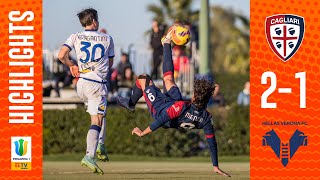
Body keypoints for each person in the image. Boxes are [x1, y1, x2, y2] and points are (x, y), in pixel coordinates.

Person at [117, 27, 230, 177]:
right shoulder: (206, 118)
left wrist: (142, 132)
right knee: (169, 79)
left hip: (161, 110)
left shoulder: (181, 106)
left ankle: (131, 103)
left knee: (143, 78)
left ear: (195, 97)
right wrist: (215, 166)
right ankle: (167, 44)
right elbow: (212, 142)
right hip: (176, 106)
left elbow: (161, 120)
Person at [57, 8, 114, 175]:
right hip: (96, 83)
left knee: (98, 115)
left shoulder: (75, 36)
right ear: (94, 21)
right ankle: (89, 155)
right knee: (97, 120)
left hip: (81, 82)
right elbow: (109, 65)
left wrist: (72, 65)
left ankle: (100, 146)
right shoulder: (107, 38)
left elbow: (61, 55)